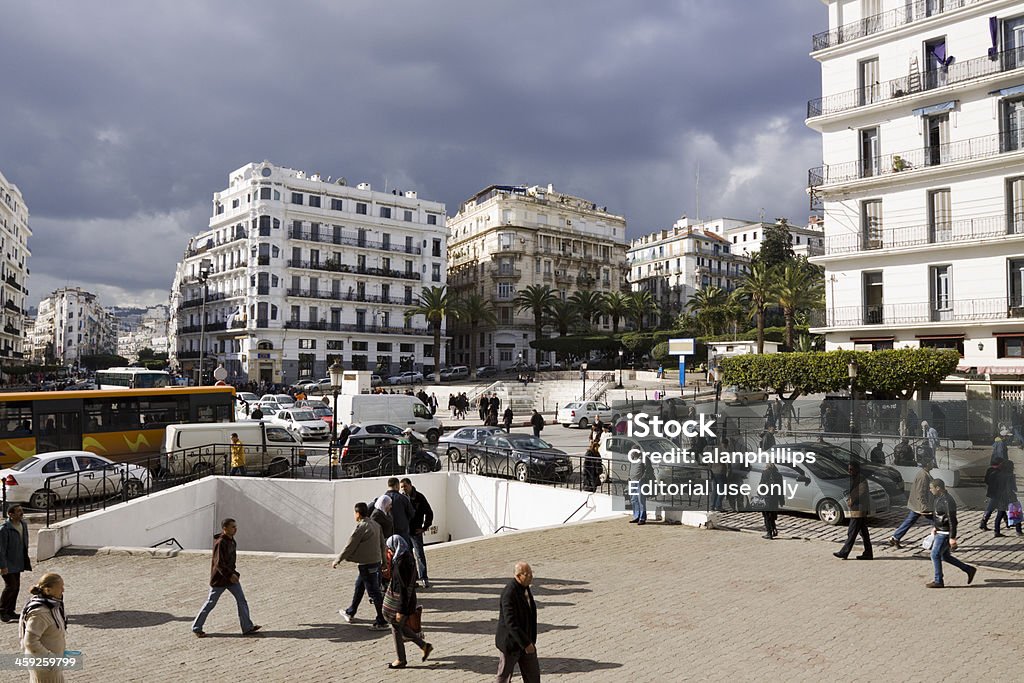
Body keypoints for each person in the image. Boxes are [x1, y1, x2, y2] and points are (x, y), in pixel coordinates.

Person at [191, 518, 261, 637]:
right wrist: (230, 575)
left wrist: (233, 574)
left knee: (242, 601)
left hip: (231, 578)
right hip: (220, 580)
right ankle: (196, 627)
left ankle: (247, 627)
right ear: (225, 528)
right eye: (233, 527)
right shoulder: (221, 542)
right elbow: (219, 563)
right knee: (210, 603)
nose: (235, 529)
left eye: (235, 526)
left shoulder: (231, 540)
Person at [334, 502, 389, 630]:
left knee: (374, 592)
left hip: (366, 565)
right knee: (359, 586)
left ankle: (382, 621)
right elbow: (382, 545)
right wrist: (384, 563)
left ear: (358, 513)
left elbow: (350, 545)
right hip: (375, 562)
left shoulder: (361, 527)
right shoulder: (376, 525)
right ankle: (351, 611)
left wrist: (338, 559)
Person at [384, 535, 433, 669]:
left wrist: (400, 610)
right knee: (400, 626)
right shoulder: (407, 556)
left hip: (404, 601)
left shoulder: (401, 563)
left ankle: (401, 659)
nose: (389, 551)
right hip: (410, 599)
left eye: (390, 548)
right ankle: (424, 646)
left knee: (396, 626)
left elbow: (403, 588)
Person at [495, 561, 540, 683]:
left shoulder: (525, 587)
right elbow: (511, 623)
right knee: (504, 676)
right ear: (518, 575)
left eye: (531, 573)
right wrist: (526, 643)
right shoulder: (509, 593)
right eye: (528, 574)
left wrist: (530, 640)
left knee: (533, 676)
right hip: (511, 643)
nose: (531, 576)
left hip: (527, 640)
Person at [927, 478, 977, 588]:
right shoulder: (938, 498)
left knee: (935, 555)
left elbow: (952, 520)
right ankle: (969, 569)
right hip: (940, 531)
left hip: (944, 534)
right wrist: (935, 527)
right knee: (945, 556)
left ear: (938, 488)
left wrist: (952, 537)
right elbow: (939, 516)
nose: (930, 490)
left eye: (931, 488)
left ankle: (938, 580)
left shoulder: (947, 500)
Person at [19, 573, 67, 683]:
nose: (63, 590)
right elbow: (30, 642)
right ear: (48, 590)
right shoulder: (40, 613)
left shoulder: (52, 605)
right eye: (60, 587)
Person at [889, 458, 934, 548]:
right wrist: (924, 507)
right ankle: (944, 543)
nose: (933, 464)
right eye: (932, 463)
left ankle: (896, 537)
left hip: (917, 505)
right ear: (928, 464)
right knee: (937, 523)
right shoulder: (923, 476)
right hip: (921, 505)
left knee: (910, 521)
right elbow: (920, 492)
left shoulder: (924, 474)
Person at [400, 478, 434, 589]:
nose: (403, 489)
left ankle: (424, 577)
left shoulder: (419, 497)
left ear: (410, 485)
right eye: (401, 487)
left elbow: (429, 512)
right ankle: (412, 578)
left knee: (419, 555)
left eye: (405, 486)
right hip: (405, 532)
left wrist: (424, 527)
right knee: (408, 556)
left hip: (415, 531)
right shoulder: (401, 498)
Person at [834, 462, 872, 560]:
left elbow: (862, 490)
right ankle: (868, 553)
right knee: (864, 533)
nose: (849, 471)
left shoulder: (860, 478)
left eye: (851, 469)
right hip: (859, 510)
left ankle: (844, 552)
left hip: (858, 510)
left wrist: (852, 499)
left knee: (852, 532)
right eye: (849, 469)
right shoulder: (856, 478)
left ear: (857, 469)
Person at [0, 504, 31, 623]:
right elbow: (1, 549)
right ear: (11, 514)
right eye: (18, 511)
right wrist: (3, 566)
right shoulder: (4, 529)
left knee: (16, 587)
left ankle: (10, 611)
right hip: (7, 563)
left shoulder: (23, 525)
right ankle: (2, 611)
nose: (21, 513)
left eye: (21, 511)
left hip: (18, 562)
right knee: (11, 586)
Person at [992, 459, 1023, 537]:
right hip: (1010, 496)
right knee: (1016, 513)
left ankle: (996, 531)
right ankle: (1018, 531)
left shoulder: (998, 475)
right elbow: (1011, 488)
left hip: (1000, 496)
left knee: (1000, 514)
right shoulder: (1011, 476)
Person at [385, 478, 415, 547]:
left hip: (387, 534)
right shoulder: (403, 498)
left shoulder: (382, 499)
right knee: (403, 554)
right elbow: (412, 514)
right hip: (402, 533)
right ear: (397, 485)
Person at [628, 447, 653, 525]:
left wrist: (642, 478)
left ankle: (642, 518)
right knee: (633, 499)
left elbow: (648, 469)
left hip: (640, 481)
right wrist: (629, 477)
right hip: (632, 480)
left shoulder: (644, 458)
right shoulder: (632, 457)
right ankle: (636, 516)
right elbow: (631, 468)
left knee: (641, 500)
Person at [980, 459, 1005, 532]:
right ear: (999, 464)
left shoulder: (989, 470)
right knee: (991, 508)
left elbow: (986, 480)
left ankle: (1007, 522)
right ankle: (983, 522)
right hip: (997, 493)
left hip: (991, 492)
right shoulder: (999, 472)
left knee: (998, 508)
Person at [759, 462, 783, 539]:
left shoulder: (765, 473)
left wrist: (759, 493)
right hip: (775, 498)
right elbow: (781, 489)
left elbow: (761, 484)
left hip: (767, 496)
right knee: (772, 515)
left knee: (767, 516)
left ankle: (769, 533)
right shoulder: (779, 475)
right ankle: (774, 530)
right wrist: (781, 499)